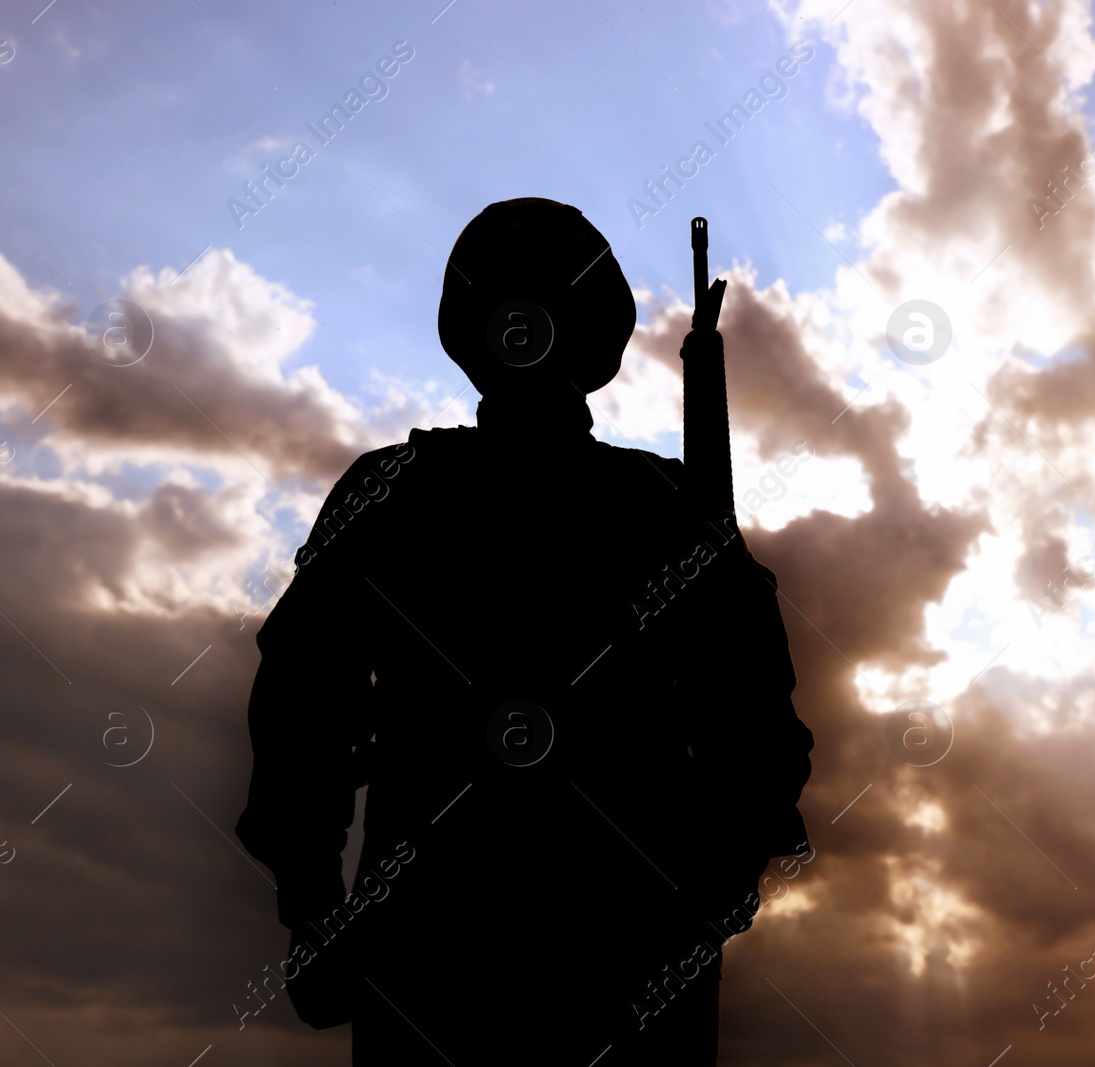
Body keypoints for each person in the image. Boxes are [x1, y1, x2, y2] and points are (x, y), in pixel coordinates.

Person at [234, 197, 814, 1065]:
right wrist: (723, 874)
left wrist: (314, 902)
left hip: (458, 958)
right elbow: (756, 734)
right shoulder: (659, 509)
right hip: (592, 957)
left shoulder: (394, 492)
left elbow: (301, 721)